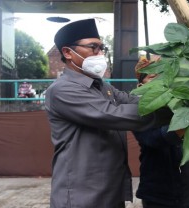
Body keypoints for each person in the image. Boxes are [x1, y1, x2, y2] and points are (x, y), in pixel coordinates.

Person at [44, 19, 171, 208]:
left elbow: (132, 100)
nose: (100, 53)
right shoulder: (62, 90)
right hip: (82, 196)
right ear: (67, 52)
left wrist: (173, 96)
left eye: (102, 48)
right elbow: (113, 114)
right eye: (93, 47)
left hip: (111, 191)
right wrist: (171, 112)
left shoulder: (102, 86)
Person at [132, 56, 189, 208]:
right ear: (141, 85)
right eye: (153, 76)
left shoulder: (183, 102)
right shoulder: (138, 111)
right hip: (160, 197)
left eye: (163, 75)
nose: (160, 80)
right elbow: (159, 139)